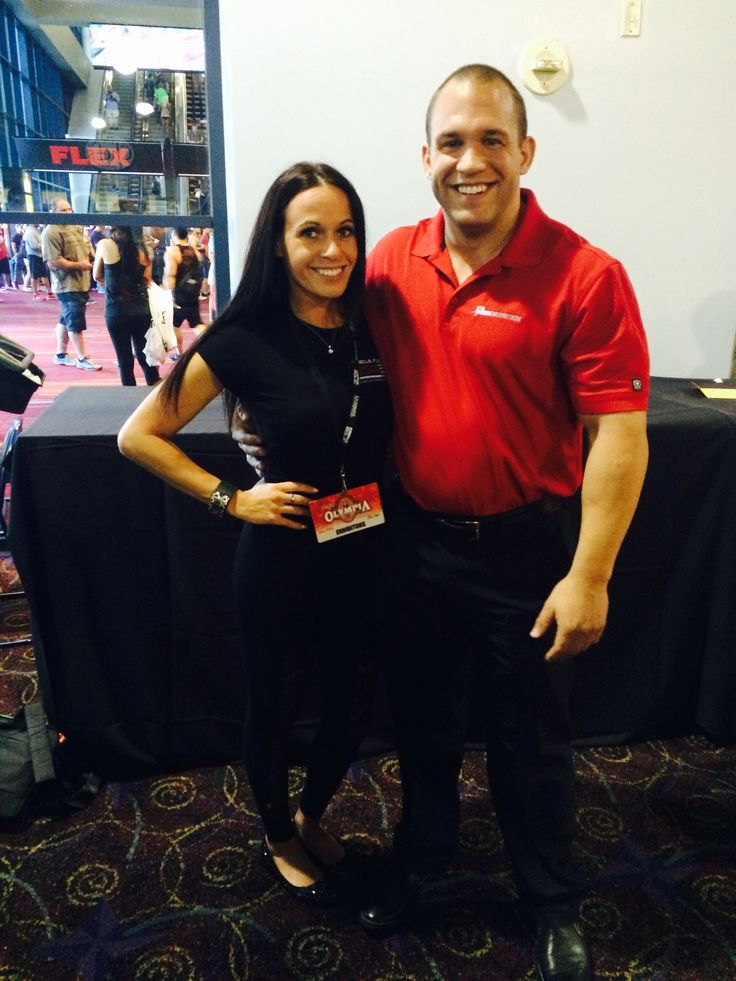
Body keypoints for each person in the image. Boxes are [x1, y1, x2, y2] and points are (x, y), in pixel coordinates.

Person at [238, 65, 649, 981]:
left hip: (530, 549)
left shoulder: (587, 275)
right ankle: (419, 869)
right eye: (453, 143)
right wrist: (243, 405)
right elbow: (302, 330)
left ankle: (548, 898)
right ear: (426, 157)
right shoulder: (386, 263)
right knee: (423, 728)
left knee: (530, 739)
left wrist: (590, 573)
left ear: (525, 152)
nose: (472, 161)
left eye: (491, 140)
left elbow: (619, 436)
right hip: (414, 544)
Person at [118, 162, 393, 906]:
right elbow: (139, 435)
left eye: (345, 231)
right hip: (281, 556)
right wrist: (231, 499)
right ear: (278, 242)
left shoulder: (372, 319)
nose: (333, 249)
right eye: (311, 232)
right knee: (273, 702)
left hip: (365, 546)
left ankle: (311, 812)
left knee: (354, 700)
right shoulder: (243, 337)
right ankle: (276, 832)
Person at [92, 225, 160, 387]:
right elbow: (147, 279)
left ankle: (130, 400)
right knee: (146, 356)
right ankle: (155, 396)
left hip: (116, 310)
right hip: (141, 310)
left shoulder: (105, 245)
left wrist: (114, 280)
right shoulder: (145, 251)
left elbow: (96, 275)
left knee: (125, 360)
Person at [42, 198, 101, 370]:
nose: (68, 212)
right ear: (54, 212)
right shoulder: (51, 232)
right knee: (74, 321)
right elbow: (53, 261)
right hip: (67, 285)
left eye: (69, 209)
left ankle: (60, 354)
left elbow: (88, 250)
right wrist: (79, 266)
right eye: (63, 210)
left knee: (65, 319)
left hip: (81, 283)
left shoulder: (76, 228)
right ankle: (83, 358)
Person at [163, 226, 205, 358]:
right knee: (197, 324)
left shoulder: (172, 252)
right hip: (192, 294)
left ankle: (179, 354)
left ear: (174, 234)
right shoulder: (195, 252)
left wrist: (169, 296)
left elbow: (170, 275)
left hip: (179, 295)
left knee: (174, 325)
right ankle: (210, 344)